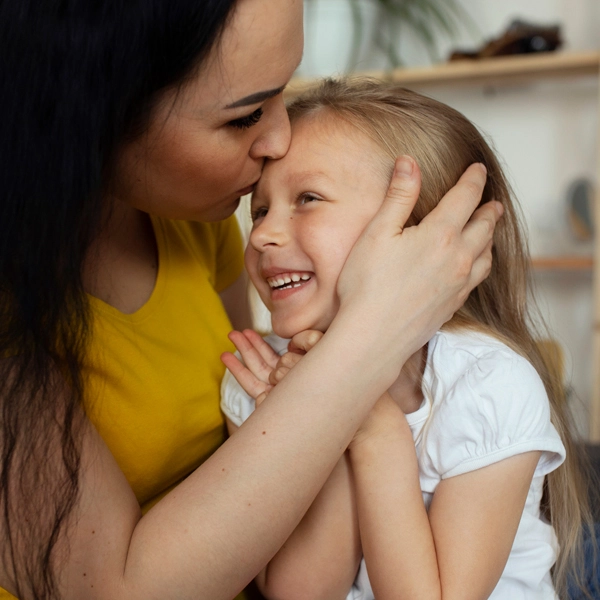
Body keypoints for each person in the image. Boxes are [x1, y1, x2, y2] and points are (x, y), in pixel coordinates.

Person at [0, 1, 502, 598]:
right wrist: (376, 332)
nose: (281, 138)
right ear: (88, 114)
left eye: (283, 92)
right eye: (243, 118)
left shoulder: (193, 219)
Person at [221, 79, 596, 600]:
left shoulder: (488, 385)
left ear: (422, 234)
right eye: (260, 210)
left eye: (307, 198)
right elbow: (302, 591)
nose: (262, 234)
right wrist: (319, 414)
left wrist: (369, 421)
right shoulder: (260, 375)